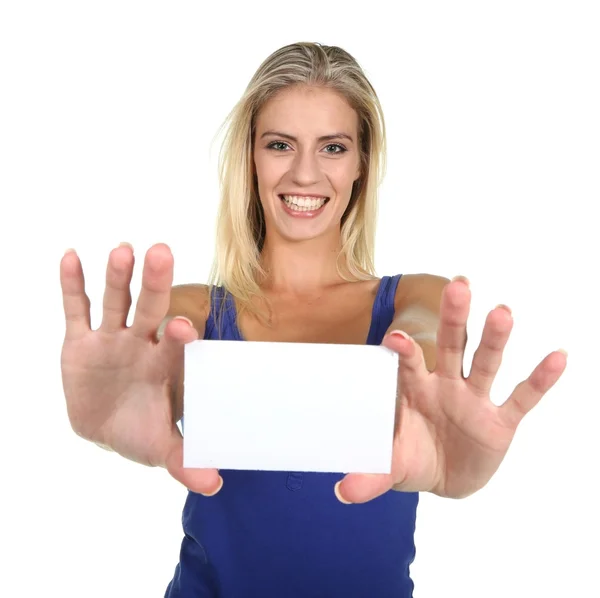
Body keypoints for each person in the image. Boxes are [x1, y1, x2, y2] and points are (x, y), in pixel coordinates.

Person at [59, 42, 567, 597]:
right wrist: (102, 418)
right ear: (250, 157)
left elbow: (420, 337)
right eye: (280, 145)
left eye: (332, 147)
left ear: (360, 164)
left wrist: (424, 395)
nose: (305, 173)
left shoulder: (412, 299)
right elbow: (155, 365)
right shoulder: (196, 313)